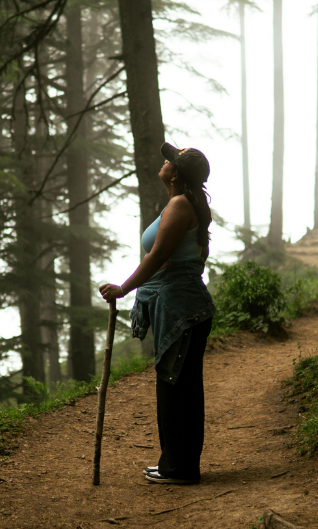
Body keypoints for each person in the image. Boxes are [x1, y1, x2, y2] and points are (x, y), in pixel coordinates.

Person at [99, 142, 216, 485]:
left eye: (171, 160)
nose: (164, 162)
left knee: (178, 387)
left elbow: (157, 257)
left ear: (177, 174)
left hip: (183, 309)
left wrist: (123, 288)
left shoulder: (181, 204)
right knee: (175, 385)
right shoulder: (179, 202)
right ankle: (175, 464)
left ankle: (180, 469)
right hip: (180, 306)